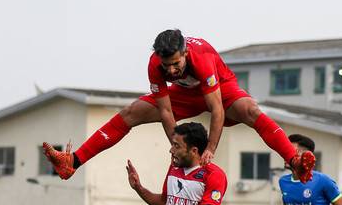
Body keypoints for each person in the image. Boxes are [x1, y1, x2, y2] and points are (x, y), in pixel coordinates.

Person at [42, 29, 315, 182]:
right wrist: (179, 149)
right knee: (130, 112)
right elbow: (165, 111)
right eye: (166, 65)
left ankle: (293, 160)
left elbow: (217, 110)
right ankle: (73, 161)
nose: (171, 70)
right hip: (185, 95)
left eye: (176, 63)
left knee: (251, 111)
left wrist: (209, 149)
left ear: (185, 53)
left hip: (220, 89)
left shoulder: (202, 60)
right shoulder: (155, 66)